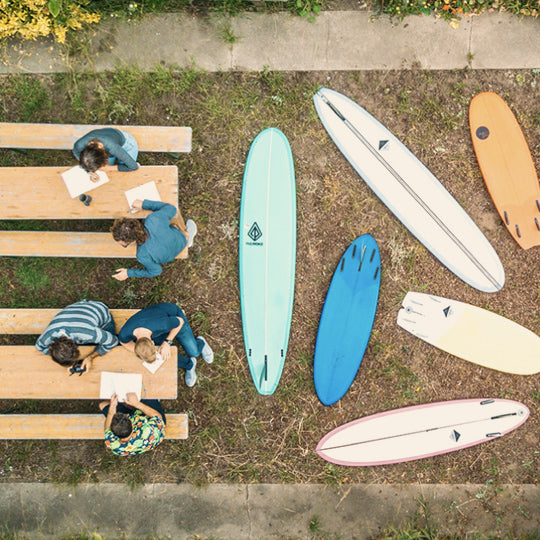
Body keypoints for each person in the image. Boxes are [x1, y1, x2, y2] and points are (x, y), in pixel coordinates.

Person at [118, 302, 213, 387]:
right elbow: (123, 342)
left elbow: (180, 321)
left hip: (174, 318)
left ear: (153, 343)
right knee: (163, 355)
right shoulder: (125, 333)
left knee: (194, 352)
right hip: (155, 328)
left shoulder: (162, 324)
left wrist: (167, 342)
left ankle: (201, 343)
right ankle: (190, 364)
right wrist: (142, 352)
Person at [110, 199, 197, 280]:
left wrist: (129, 273)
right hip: (179, 240)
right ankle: (187, 236)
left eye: (124, 245)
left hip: (170, 255)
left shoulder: (142, 256)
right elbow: (172, 209)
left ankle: (187, 238)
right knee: (172, 218)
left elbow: (156, 271)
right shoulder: (153, 219)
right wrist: (144, 204)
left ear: (132, 241)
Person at [35, 300, 118, 372]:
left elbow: (113, 341)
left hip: (99, 311)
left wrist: (90, 357)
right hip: (76, 310)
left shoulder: (88, 333)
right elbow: (39, 347)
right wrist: (65, 359)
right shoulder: (48, 336)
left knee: (116, 350)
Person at [99, 393, 165, 456]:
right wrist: (136, 403)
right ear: (133, 423)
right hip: (156, 427)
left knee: (103, 405)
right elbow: (158, 417)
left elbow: (107, 427)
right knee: (144, 393)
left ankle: (131, 407)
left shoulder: (111, 443)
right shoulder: (148, 431)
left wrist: (113, 406)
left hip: (137, 435)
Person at [72, 128, 139, 181]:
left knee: (124, 170)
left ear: (105, 156)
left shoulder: (112, 147)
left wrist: (109, 168)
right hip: (108, 137)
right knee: (107, 174)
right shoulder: (78, 146)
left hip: (126, 144)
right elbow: (77, 153)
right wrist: (90, 172)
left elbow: (133, 166)